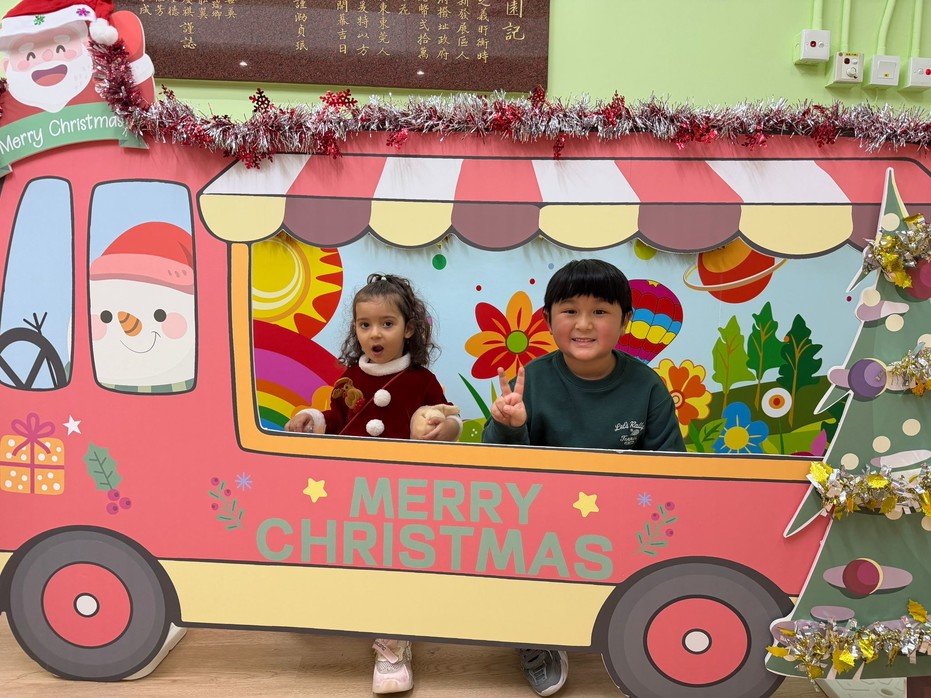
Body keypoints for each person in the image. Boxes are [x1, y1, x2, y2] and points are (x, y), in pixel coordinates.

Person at [483, 258, 685, 696]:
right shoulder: (530, 382)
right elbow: (498, 474)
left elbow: (672, 470)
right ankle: (536, 636)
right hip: (543, 520)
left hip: (621, 516)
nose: (584, 324)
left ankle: (648, 630)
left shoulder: (648, 386)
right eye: (570, 310)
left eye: (600, 311)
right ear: (548, 319)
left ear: (626, 320)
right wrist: (509, 426)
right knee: (506, 541)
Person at [286, 272, 461, 694]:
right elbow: (337, 420)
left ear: (409, 328)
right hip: (352, 488)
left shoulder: (420, 379)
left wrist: (447, 428)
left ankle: (393, 644)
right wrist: (312, 420)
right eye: (365, 325)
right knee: (341, 550)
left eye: (387, 323)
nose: (375, 334)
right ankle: (331, 608)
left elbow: (445, 416)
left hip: (402, 492)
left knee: (392, 563)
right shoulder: (350, 377)